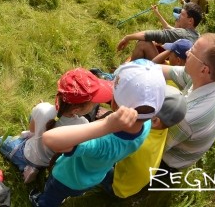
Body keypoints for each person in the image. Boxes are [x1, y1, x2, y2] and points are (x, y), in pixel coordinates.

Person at [29, 61, 166, 207]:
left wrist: (106, 125)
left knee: (51, 196)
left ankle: (41, 203)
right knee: (68, 192)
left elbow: (50, 139)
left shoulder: (101, 141)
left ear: (115, 103)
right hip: (93, 179)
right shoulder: (146, 124)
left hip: (66, 177)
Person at [0, 68, 112, 183]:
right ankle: (34, 168)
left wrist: (39, 110)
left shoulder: (42, 109)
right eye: (94, 103)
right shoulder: (83, 125)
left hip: (29, 154)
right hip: (50, 162)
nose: (96, 104)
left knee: (1, 141)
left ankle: (27, 166)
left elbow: (32, 130)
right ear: (76, 110)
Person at [157, 33, 215, 173]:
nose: (187, 52)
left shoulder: (189, 116)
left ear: (204, 69)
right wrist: (136, 69)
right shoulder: (207, 79)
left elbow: (156, 142)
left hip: (167, 162)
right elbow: (166, 71)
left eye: (192, 51)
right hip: (176, 139)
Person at [110, 85, 187, 198]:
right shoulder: (162, 127)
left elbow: (106, 152)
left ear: (155, 120)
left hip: (119, 187)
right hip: (138, 181)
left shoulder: (135, 140)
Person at [116, 2, 203, 61]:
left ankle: (127, 75)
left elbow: (151, 34)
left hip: (172, 73)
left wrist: (127, 38)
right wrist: (157, 13)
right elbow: (168, 28)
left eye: (182, 14)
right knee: (155, 43)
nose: (179, 16)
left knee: (143, 43)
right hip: (181, 72)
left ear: (190, 21)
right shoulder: (196, 35)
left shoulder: (181, 33)